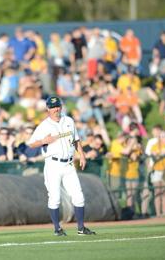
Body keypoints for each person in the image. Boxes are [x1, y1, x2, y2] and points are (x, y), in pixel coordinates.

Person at [27, 96, 95, 236]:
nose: (55, 109)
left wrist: (81, 154)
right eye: (52, 107)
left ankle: (81, 228)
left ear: (61, 107)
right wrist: (44, 140)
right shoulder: (44, 125)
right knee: (55, 197)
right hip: (53, 164)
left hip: (69, 164)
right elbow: (31, 143)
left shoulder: (68, 120)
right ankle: (57, 229)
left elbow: (76, 139)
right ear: (47, 108)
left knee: (78, 196)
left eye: (57, 106)